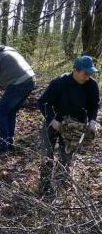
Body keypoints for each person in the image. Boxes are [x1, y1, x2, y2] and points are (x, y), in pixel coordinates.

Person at [37, 55, 99, 195]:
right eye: (85, 73)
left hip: (75, 126)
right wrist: (52, 120)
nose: (88, 77)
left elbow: (94, 105)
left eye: (90, 73)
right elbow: (42, 102)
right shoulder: (59, 82)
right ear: (75, 71)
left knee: (66, 157)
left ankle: (60, 188)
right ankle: (45, 188)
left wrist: (93, 120)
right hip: (54, 122)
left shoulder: (92, 85)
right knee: (47, 154)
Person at [0, 42, 36, 154]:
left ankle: (3, 144)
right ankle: (9, 143)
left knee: (1, 112)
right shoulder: (6, 50)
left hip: (19, 83)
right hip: (30, 80)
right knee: (10, 111)